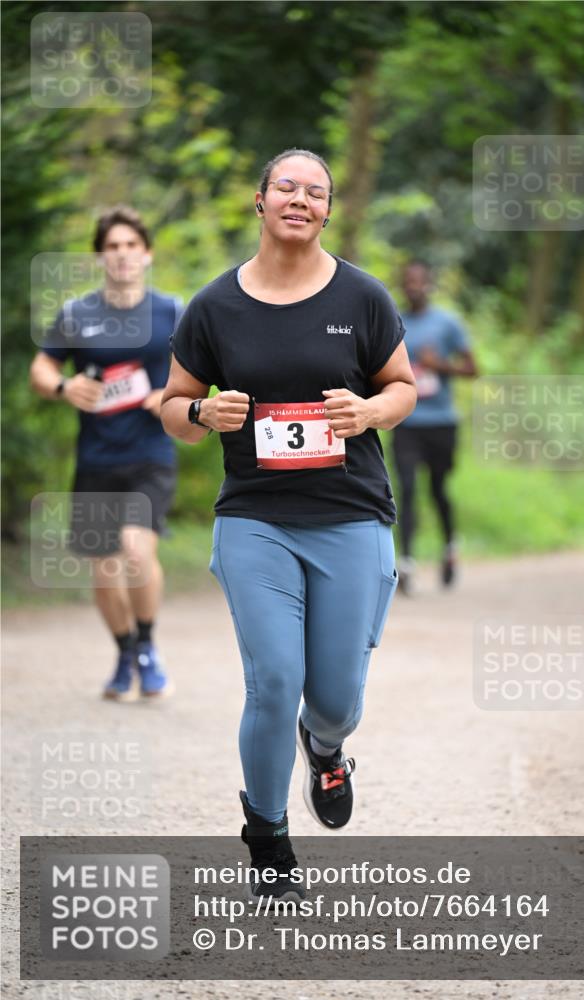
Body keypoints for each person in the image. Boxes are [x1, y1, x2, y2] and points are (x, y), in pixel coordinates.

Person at [161, 148, 416, 901]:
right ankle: (268, 838)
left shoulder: (362, 297)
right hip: (255, 518)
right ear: (260, 199)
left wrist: (370, 411)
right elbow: (173, 408)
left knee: (334, 699)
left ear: (328, 211)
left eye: (316, 192)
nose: (300, 199)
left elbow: (402, 386)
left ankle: (325, 747)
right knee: (274, 679)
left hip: (349, 513)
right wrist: (202, 411)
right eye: (286, 187)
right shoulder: (214, 307)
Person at [30, 206, 182, 701]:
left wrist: (170, 395)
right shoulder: (78, 314)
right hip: (96, 459)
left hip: (150, 453)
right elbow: (42, 369)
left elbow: (201, 370)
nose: (122, 255)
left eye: (131, 245)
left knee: (136, 550)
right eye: (112, 247)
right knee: (105, 568)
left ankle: (147, 647)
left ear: (147, 254)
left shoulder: (172, 312)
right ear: (100, 257)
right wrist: (63, 386)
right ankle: (123, 652)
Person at [392, 261, 478, 595]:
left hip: (441, 422)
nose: (413, 287)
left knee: (438, 489)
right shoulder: (393, 321)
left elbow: (472, 369)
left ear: (429, 285)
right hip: (406, 421)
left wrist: (438, 365)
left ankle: (449, 547)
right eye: (408, 282)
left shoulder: (447, 323)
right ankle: (407, 563)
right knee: (406, 489)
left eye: (419, 282)